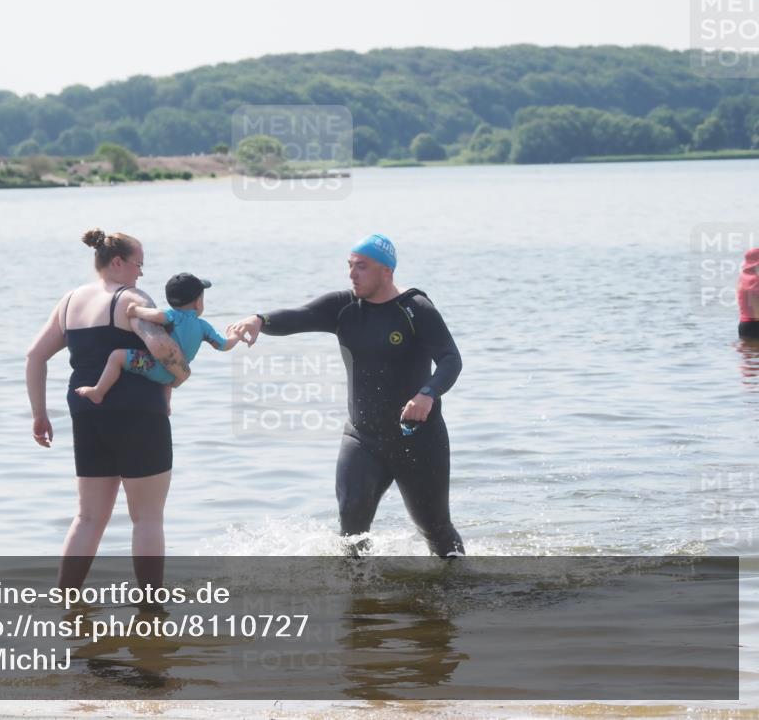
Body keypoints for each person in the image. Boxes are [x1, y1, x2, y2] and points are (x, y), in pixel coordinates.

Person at [228, 234, 465, 558]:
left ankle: (457, 590)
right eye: (350, 266)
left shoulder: (415, 309)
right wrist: (260, 320)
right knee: (351, 525)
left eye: (362, 267)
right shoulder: (343, 307)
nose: (352, 274)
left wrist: (428, 394)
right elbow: (299, 316)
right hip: (363, 437)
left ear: (386, 272)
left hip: (418, 437)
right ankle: (356, 597)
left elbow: (451, 359)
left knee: (435, 527)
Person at [26, 229, 191, 592]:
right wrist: (181, 374)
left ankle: (67, 600)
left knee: (87, 518)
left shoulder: (70, 301)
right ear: (118, 262)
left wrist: (39, 412)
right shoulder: (130, 298)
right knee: (147, 517)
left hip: (87, 411)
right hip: (138, 412)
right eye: (138, 265)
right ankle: (151, 607)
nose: (141, 274)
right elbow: (162, 348)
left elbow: (35, 355)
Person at [75, 273, 241, 409]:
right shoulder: (204, 327)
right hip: (174, 377)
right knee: (171, 368)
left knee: (117, 357)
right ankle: (166, 405)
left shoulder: (171, 316)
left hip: (152, 366)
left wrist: (135, 310)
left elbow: (156, 315)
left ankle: (98, 391)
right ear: (198, 303)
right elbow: (224, 345)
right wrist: (235, 335)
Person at [738, 247, 759, 340]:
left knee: (749, 353)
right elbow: (756, 309)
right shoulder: (754, 280)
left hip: (744, 325)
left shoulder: (742, 278)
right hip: (754, 325)